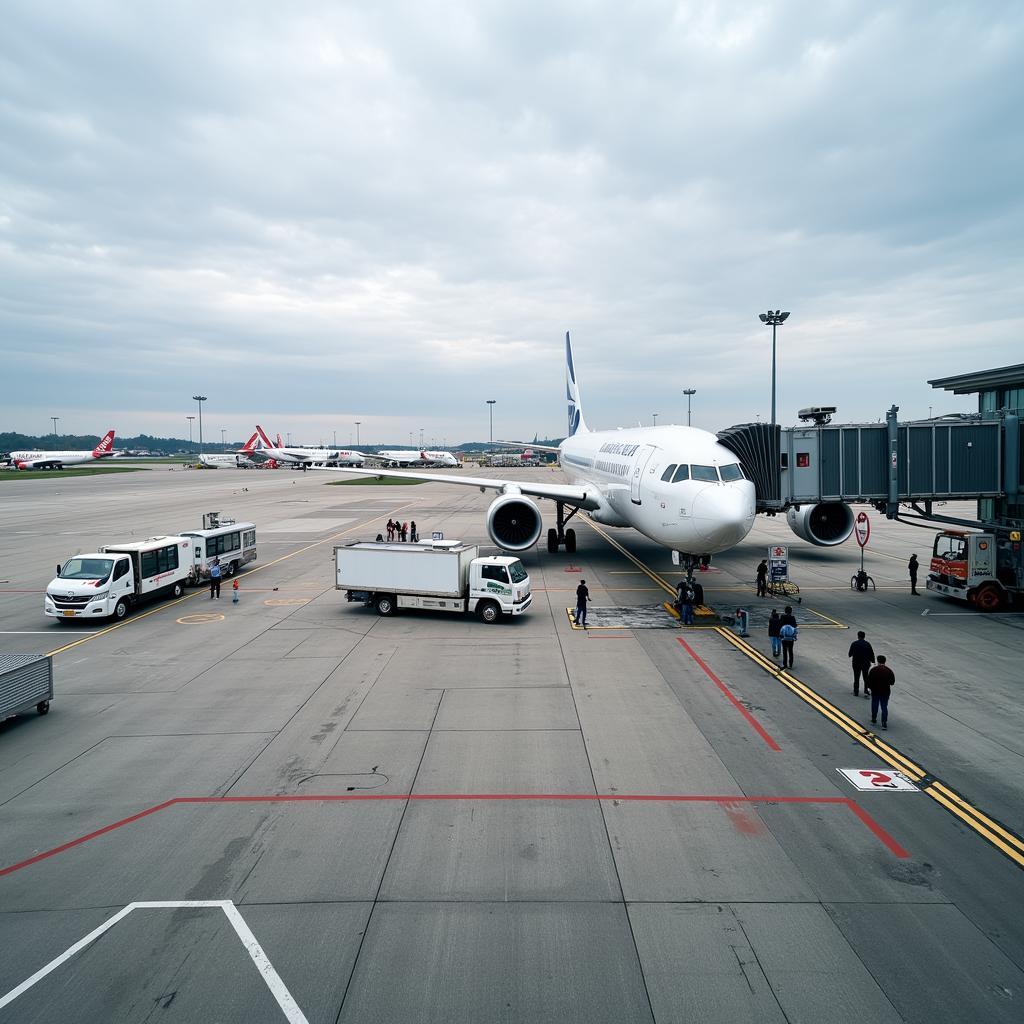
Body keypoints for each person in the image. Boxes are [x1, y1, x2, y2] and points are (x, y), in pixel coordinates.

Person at [867, 655, 895, 729]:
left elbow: (869, 681)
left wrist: (870, 688)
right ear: (885, 661)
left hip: (875, 691)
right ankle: (884, 722)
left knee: (874, 705)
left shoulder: (873, 670)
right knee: (884, 706)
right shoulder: (889, 671)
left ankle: (874, 719)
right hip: (885, 691)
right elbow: (892, 682)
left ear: (878, 661)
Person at [847, 630, 875, 697]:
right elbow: (871, 653)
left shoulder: (854, 643)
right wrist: (873, 661)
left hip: (856, 663)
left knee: (856, 677)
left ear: (858, 636)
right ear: (864, 637)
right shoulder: (868, 644)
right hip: (866, 664)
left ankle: (856, 691)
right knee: (866, 678)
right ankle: (866, 691)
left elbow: (850, 654)